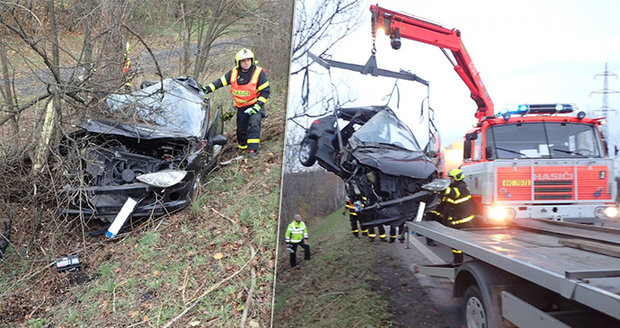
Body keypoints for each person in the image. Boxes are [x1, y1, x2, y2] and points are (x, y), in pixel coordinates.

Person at [202, 48, 270, 157]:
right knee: (241, 130)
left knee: (254, 124)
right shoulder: (233, 73)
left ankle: (253, 150)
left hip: (255, 105)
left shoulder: (259, 73)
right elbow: (219, 83)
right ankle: (242, 147)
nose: (247, 62)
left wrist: (258, 106)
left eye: (248, 60)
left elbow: (265, 92)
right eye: (244, 60)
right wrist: (206, 89)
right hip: (241, 107)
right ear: (238, 62)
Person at [426, 168, 475, 263]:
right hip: (458, 219)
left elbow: (450, 193)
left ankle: (458, 261)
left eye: (451, 178)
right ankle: (460, 259)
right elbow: (445, 203)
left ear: (457, 178)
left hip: (461, 221)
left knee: (456, 243)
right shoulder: (457, 186)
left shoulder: (460, 188)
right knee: (460, 242)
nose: (450, 180)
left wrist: (434, 187)